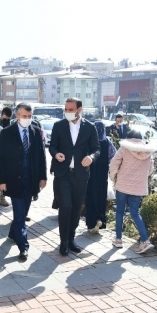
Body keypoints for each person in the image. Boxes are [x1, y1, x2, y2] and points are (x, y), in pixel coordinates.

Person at [49, 98, 100, 255]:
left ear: (79, 110)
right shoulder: (59, 126)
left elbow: (96, 149)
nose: (67, 112)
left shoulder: (90, 127)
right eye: (66, 109)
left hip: (80, 175)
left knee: (77, 208)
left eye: (71, 109)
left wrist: (91, 157)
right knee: (65, 206)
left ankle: (71, 238)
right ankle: (63, 241)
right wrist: (56, 154)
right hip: (62, 174)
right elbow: (52, 146)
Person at [0, 103, 47, 260]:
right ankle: (23, 246)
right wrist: (2, 180)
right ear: (17, 115)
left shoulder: (36, 131)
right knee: (20, 214)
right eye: (24, 116)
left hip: (31, 178)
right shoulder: (7, 133)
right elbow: (1, 158)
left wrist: (43, 176)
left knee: (23, 211)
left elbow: (41, 155)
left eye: (30, 116)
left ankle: (13, 233)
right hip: (14, 179)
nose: (27, 119)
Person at [109, 128, 156, 254]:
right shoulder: (148, 151)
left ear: (128, 138)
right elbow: (150, 170)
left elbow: (113, 164)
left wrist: (113, 177)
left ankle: (118, 240)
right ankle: (145, 241)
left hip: (122, 185)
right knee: (135, 213)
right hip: (138, 187)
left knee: (120, 211)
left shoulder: (124, 148)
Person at [86, 120, 116, 234]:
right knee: (100, 197)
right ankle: (100, 219)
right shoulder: (107, 142)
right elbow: (113, 157)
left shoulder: (89, 141)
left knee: (90, 197)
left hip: (90, 174)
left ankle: (91, 224)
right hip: (102, 175)